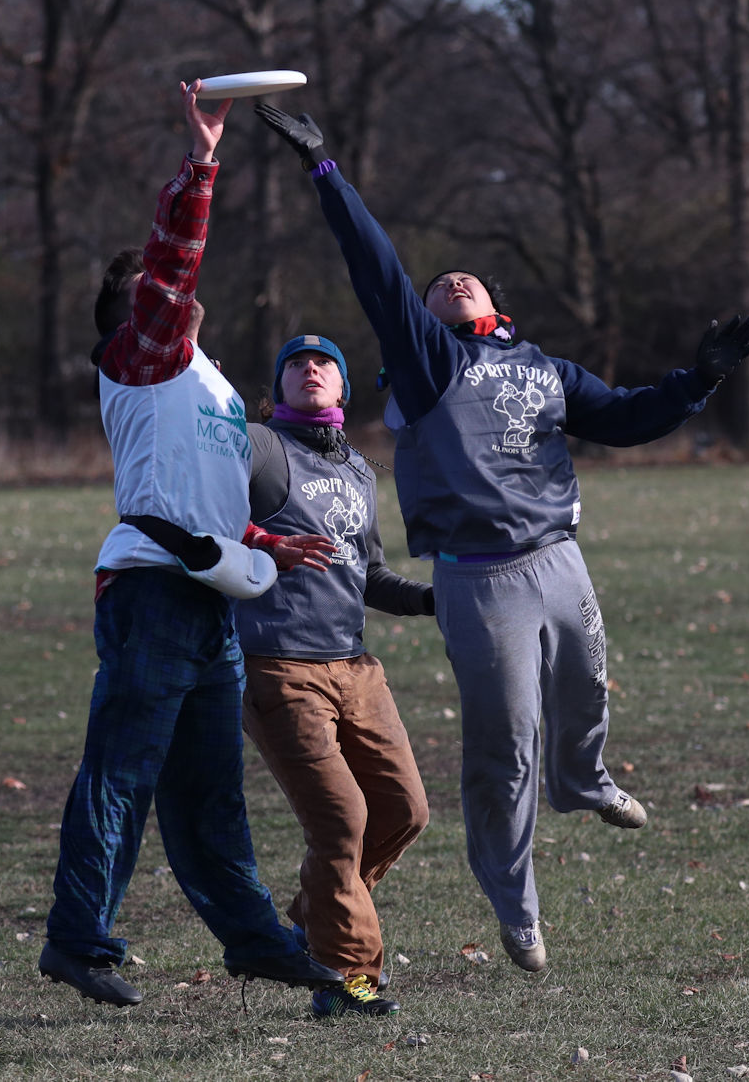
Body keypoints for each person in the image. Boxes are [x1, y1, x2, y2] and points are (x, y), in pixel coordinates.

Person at [256, 101, 749, 974]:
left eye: (469, 278)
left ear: (498, 304)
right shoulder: (429, 361)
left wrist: (698, 380)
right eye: (438, 282)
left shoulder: (548, 371)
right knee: (505, 748)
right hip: (479, 578)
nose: (452, 279)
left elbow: (631, 418)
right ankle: (516, 905)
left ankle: (588, 781)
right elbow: (377, 271)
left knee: (590, 691)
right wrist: (325, 172)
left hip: (560, 560)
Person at [39, 83, 344, 1007]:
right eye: (156, 295)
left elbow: (194, 490)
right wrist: (203, 159)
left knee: (210, 798)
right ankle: (78, 939)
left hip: (209, 596)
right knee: (121, 777)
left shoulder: (204, 379)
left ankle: (254, 941)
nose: (175, 297)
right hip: (153, 595)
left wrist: (262, 542)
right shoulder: (139, 353)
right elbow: (173, 266)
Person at [237, 334, 435, 1019]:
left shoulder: (357, 468)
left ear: (343, 388)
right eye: (295, 362)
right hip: (280, 668)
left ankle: (305, 924)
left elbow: (367, 573)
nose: (310, 368)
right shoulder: (261, 447)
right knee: (343, 821)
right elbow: (203, 509)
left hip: (355, 666)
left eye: (324, 363)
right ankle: (347, 978)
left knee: (403, 812)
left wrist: (430, 599)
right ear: (277, 387)